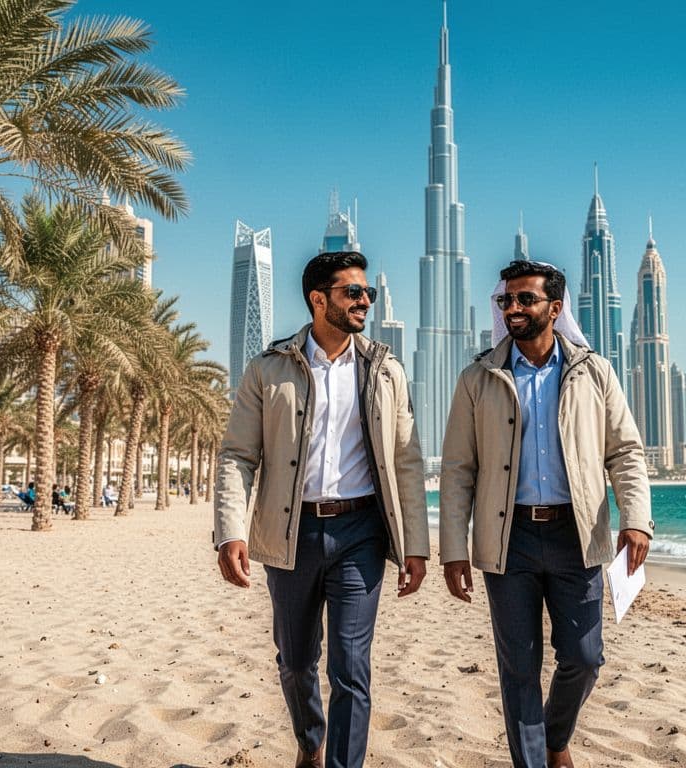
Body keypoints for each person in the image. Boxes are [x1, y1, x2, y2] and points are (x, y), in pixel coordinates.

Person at [215, 251, 429, 768]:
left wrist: (416, 546)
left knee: (352, 666)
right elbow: (238, 455)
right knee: (295, 661)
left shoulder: (385, 369)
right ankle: (311, 741)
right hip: (291, 533)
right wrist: (229, 531)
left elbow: (406, 460)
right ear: (318, 299)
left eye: (368, 294)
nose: (364, 302)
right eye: (352, 292)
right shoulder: (269, 368)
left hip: (361, 533)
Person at [439, 260, 653, 768]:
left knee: (584, 658)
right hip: (506, 538)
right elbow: (458, 469)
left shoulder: (593, 371)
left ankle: (556, 741)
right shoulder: (478, 378)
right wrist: (452, 549)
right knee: (519, 668)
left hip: (575, 536)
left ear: (554, 309)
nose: (512, 308)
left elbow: (624, 451)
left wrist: (636, 518)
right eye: (505, 300)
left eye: (524, 300)